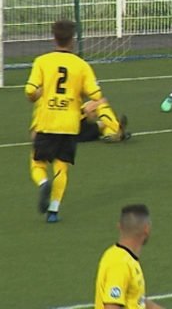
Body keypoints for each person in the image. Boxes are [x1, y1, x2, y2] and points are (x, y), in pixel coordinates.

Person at [25, 20, 118, 223]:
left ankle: (42, 184)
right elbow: (96, 94)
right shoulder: (81, 65)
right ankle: (54, 211)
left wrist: (39, 93)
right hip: (70, 124)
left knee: (38, 162)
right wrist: (89, 109)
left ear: (53, 37)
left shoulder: (42, 61)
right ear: (72, 41)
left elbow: (30, 91)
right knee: (62, 166)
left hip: (47, 120)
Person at [94, 204, 165, 309]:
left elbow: (136, 299)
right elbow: (111, 306)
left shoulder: (124, 258)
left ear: (119, 226)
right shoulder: (119, 263)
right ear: (147, 229)